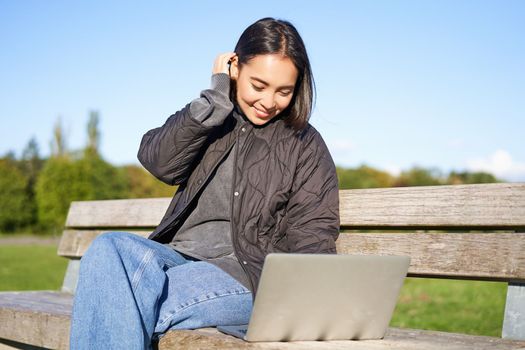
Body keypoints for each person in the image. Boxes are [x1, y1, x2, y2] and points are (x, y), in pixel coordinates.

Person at [69, 17, 339, 350]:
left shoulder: (304, 144)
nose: (269, 102)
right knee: (110, 249)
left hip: (247, 274)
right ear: (235, 68)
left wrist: (304, 304)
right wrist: (214, 98)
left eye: (284, 91)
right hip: (177, 257)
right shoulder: (211, 117)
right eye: (259, 85)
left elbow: (313, 230)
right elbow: (159, 162)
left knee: (119, 301)